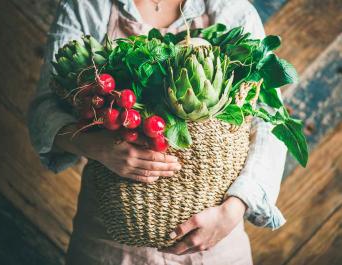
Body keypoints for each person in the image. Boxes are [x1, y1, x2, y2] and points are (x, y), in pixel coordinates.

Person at [27, 0, 287, 264]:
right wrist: (96, 146)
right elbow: (44, 110)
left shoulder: (232, 8)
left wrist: (233, 210)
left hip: (215, 239)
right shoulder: (86, 6)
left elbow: (270, 120)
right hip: (108, 242)